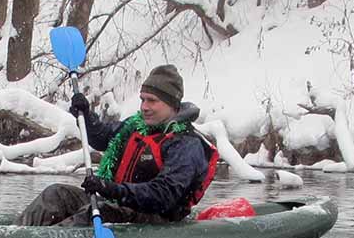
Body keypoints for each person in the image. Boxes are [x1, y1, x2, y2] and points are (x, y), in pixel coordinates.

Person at [15, 64, 219, 227]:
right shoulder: (137, 126)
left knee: (102, 212)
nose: (144, 107)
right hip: (119, 202)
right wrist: (85, 114)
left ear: (172, 104)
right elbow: (102, 137)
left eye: (152, 101)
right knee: (56, 193)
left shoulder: (186, 144)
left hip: (157, 218)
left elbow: (163, 195)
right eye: (142, 100)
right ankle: (16, 235)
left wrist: (112, 189)